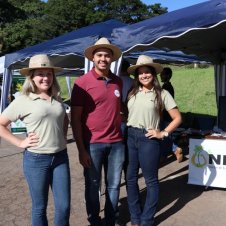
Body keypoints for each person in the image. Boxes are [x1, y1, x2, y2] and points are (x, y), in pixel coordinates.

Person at [0, 54, 70, 226]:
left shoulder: (57, 98)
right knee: (40, 208)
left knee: (64, 207)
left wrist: (61, 136)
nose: (45, 78)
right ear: (31, 77)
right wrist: (20, 142)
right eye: (40, 73)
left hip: (61, 157)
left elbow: (64, 118)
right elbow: (1, 124)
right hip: (36, 159)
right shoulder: (23, 100)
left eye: (49, 73)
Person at [71, 37, 125, 226]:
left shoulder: (118, 82)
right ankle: (94, 219)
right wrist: (81, 149)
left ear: (112, 58)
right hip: (92, 144)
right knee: (93, 186)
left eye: (107, 55)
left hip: (117, 143)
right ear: (93, 58)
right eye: (99, 55)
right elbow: (75, 119)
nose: (103, 58)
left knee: (114, 185)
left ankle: (110, 219)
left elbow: (118, 109)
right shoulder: (82, 83)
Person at [126, 55, 182, 226]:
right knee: (130, 179)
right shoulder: (132, 92)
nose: (144, 75)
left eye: (147, 72)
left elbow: (177, 118)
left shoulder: (162, 93)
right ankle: (135, 217)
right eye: (140, 73)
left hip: (148, 139)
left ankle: (147, 219)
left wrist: (163, 133)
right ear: (137, 76)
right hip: (130, 136)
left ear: (153, 74)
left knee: (150, 181)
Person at [160, 67, 183, 162]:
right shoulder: (168, 86)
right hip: (168, 115)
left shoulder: (166, 88)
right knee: (166, 135)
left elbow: (164, 103)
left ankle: (175, 149)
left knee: (165, 135)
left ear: (168, 76)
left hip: (166, 115)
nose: (161, 75)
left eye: (163, 74)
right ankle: (165, 154)